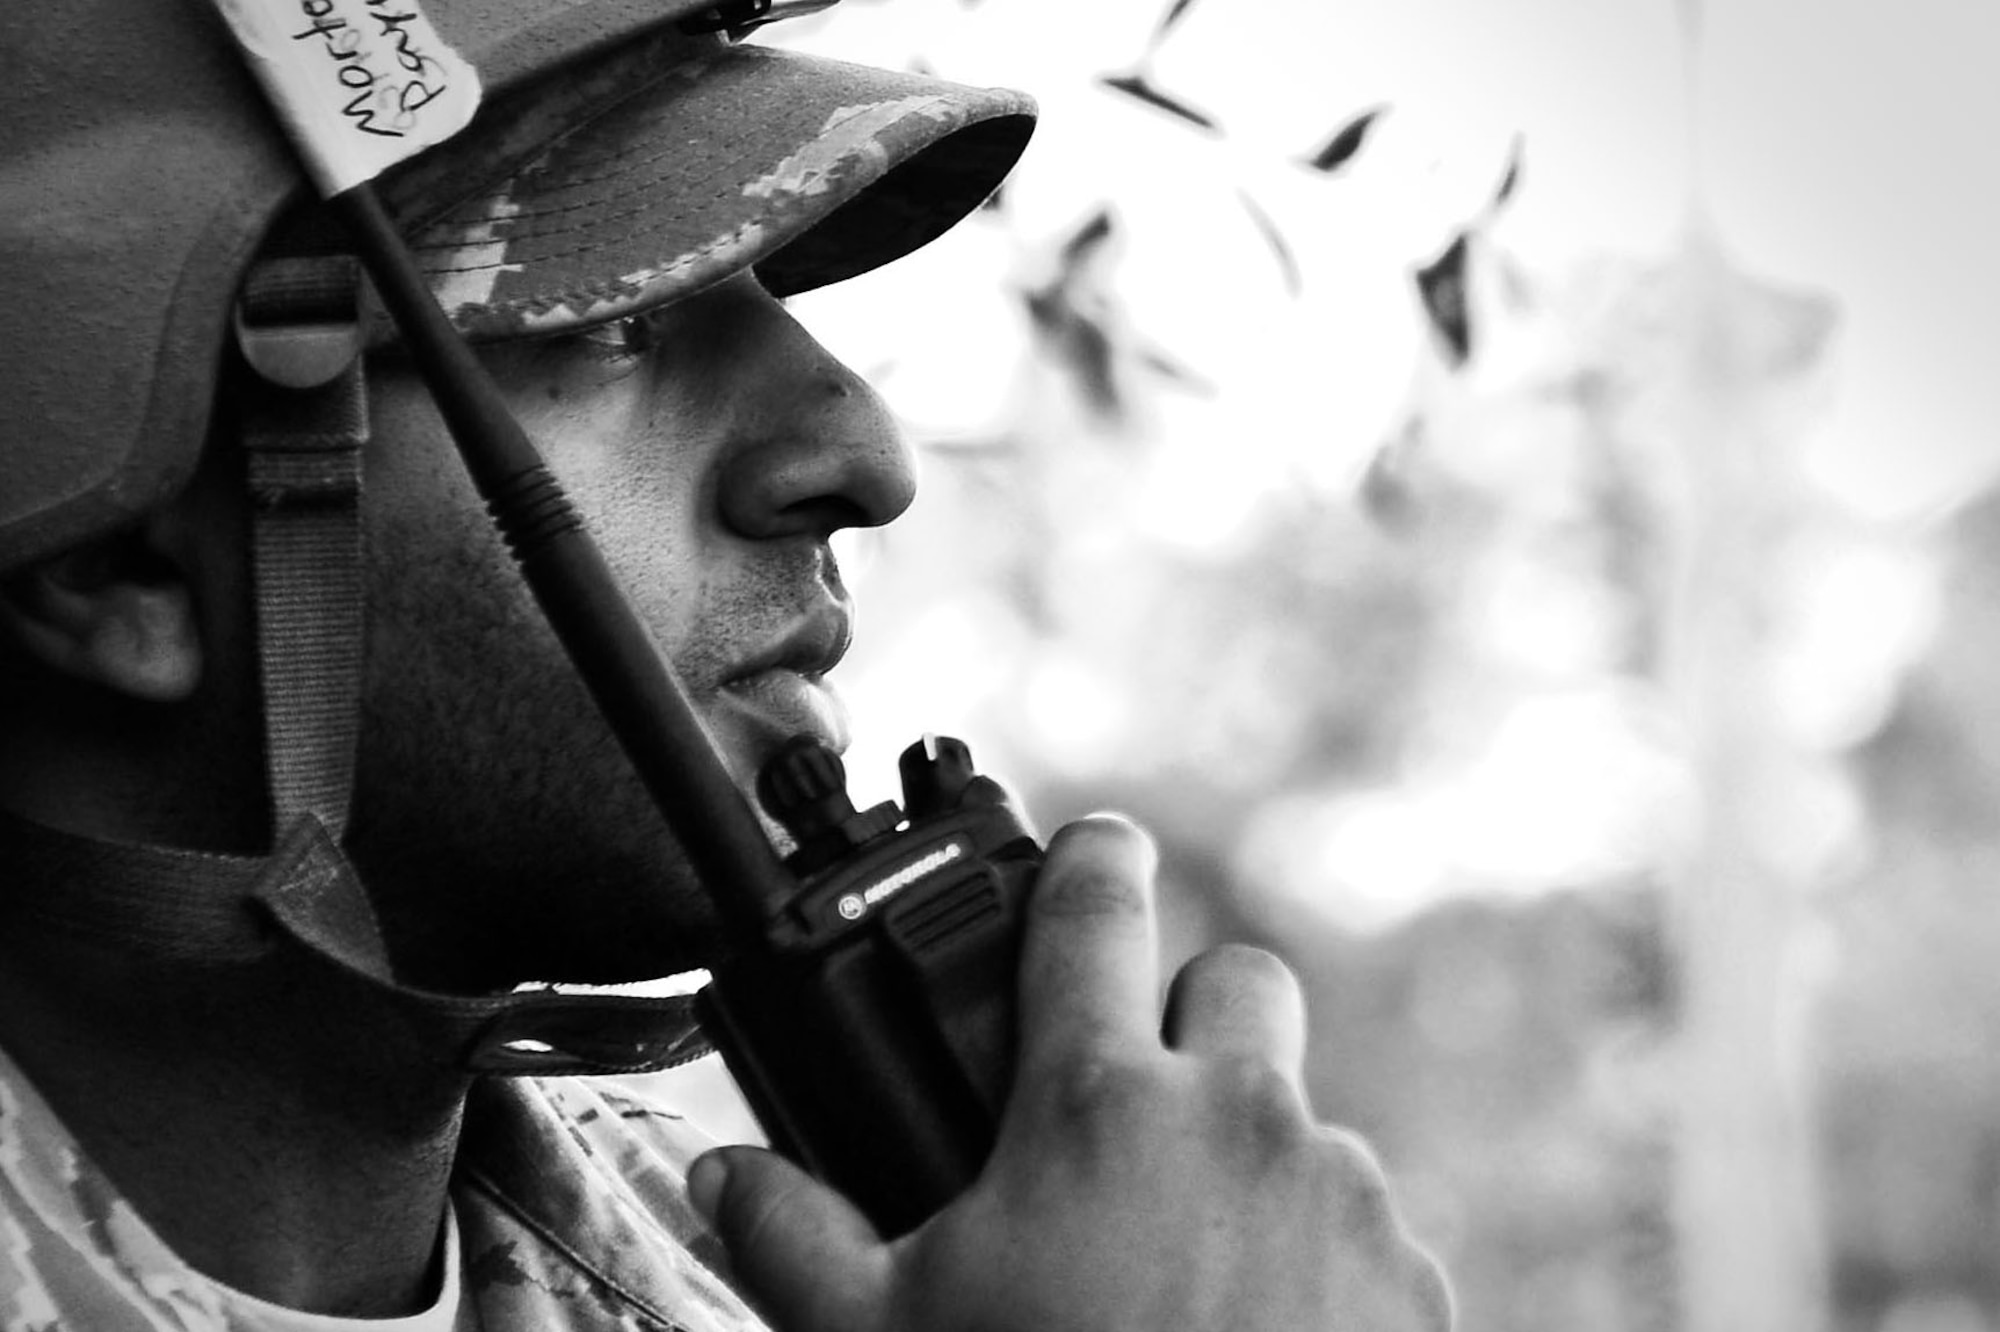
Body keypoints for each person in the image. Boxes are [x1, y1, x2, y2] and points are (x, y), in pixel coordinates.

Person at [0, 1, 1454, 1329]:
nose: (862, 455)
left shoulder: (781, 1285)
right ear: (116, 557)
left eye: (767, 289)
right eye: (620, 316)